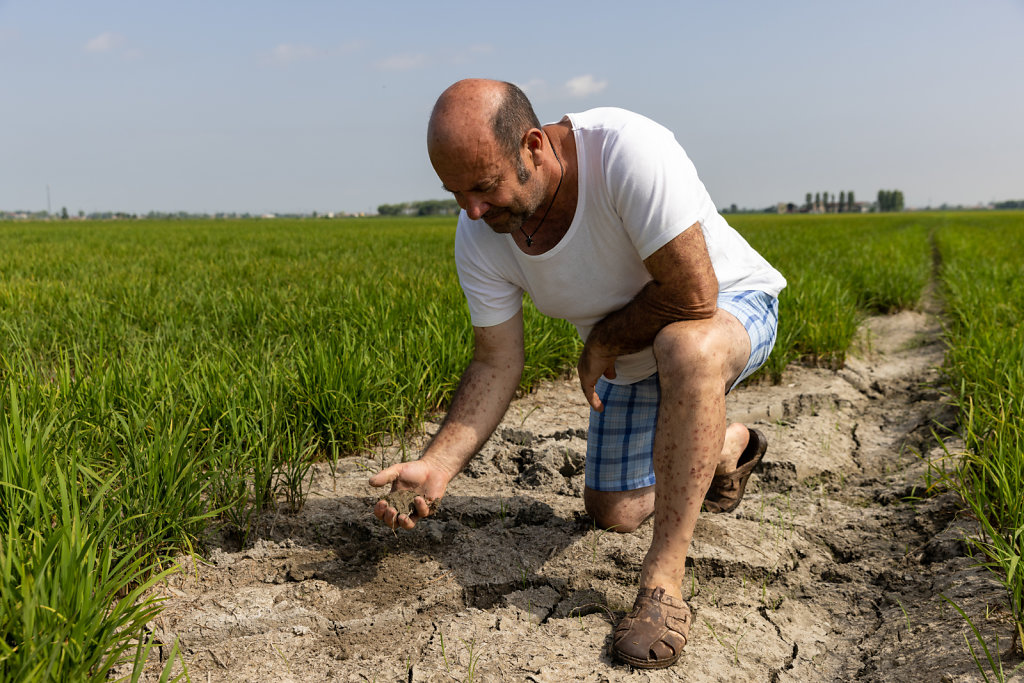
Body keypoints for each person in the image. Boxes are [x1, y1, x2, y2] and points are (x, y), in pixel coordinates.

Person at [370, 78, 786, 670]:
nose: (472, 210)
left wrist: (604, 341)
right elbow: (497, 360)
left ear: (534, 145)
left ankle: (663, 584)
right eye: (455, 193)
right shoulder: (482, 235)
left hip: (726, 311)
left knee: (686, 348)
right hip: (634, 355)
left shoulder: (625, 153)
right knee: (611, 511)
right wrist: (438, 463)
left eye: (484, 187)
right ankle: (722, 446)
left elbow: (694, 295)